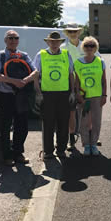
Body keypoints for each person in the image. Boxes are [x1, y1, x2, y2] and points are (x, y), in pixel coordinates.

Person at [0, 30, 38, 166]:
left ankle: (18, 153)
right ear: (5, 40)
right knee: (5, 127)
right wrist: (14, 81)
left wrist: (25, 80)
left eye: (15, 38)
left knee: (22, 126)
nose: (13, 40)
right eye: (10, 38)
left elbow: (35, 71)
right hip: (5, 96)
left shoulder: (24, 55)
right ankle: (7, 156)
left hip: (21, 96)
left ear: (18, 40)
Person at [33, 31, 75, 160]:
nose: (54, 44)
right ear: (48, 42)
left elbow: (70, 74)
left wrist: (72, 92)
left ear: (60, 43)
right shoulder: (41, 55)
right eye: (52, 41)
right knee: (48, 123)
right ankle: (48, 151)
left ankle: (61, 149)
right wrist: (38, 93)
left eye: (57, 42)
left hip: (64, 93)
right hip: (47, 94)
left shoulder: (66, 54)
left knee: (63, 122)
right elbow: (35, 75)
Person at [74, 36, 107, 156]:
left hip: (97, 96)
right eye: (87, 45)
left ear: (95, 48)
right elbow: (76, 81)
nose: (89, 48)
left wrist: (104, 95)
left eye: (92, 46)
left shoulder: (100, 61)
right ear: (83, 48)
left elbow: (103, 80)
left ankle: (93, 144)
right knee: (84, 122)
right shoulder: (78, 63)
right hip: (84, 98)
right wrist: (78, 94)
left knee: (96, 121)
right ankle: (86, 145)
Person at [62, 23, 84, 150]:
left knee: (87, 112)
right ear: (67, 33)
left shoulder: (86, 45)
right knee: (70, 113)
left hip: (85, 85)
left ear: (79, 32)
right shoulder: (63, 48)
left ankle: (90, 138)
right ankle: (71, 139)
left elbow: (98, 60)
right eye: (70, 31)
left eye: (75, 31)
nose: (73, 33)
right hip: (69, 85)